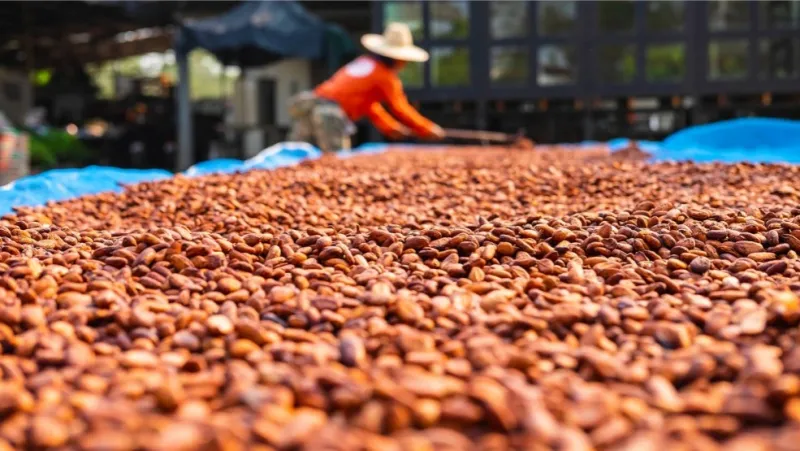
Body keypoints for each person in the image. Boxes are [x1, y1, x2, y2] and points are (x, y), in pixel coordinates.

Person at [287, 22, 446, 152]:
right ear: (398, 58)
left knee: (297, 157)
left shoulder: (366, 62)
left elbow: (369, 106)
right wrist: (427, 128)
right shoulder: (384, 76)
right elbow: (400, 107)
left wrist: (389, 127)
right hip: (330, 113)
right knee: (335, 163)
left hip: (311, 105)